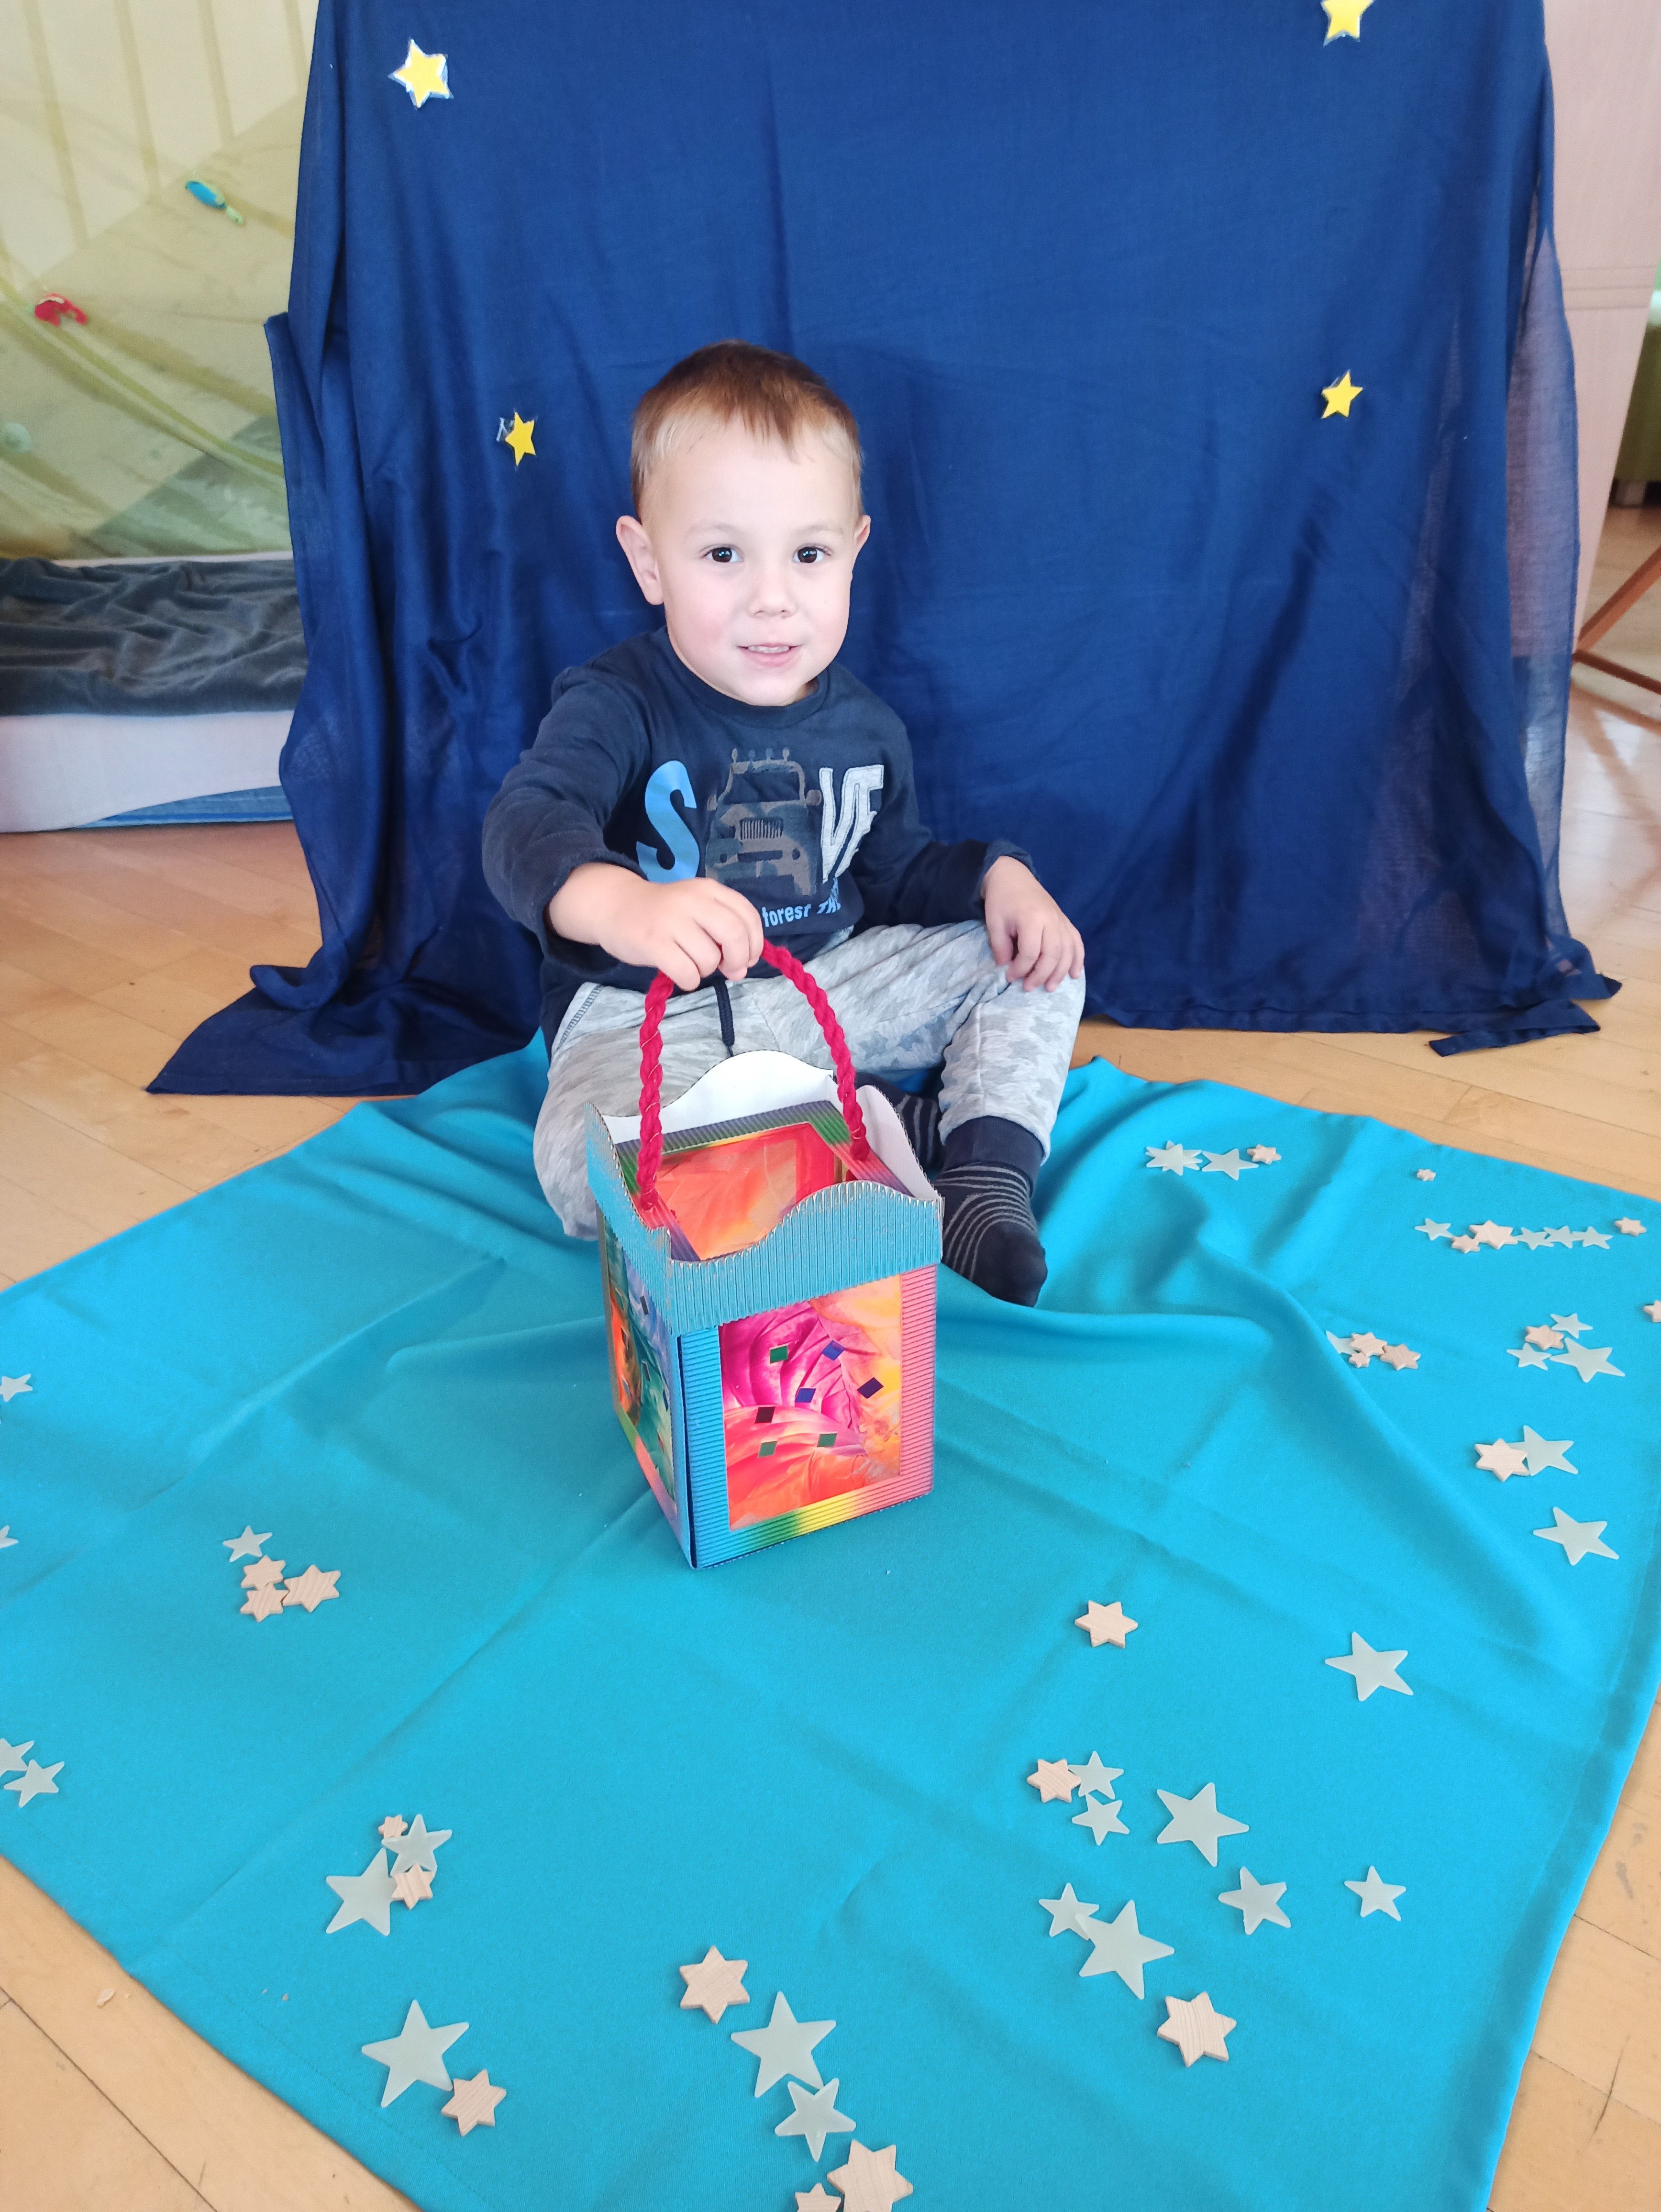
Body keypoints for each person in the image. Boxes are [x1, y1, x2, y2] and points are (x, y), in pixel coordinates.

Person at [482, 341, 1085, 1305]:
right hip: (648, 1017)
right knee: (581, 1168)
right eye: (723, 555)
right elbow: (525, 821)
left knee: (1034, 958)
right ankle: (854, 1136)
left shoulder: (867, 728)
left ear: (853, 550)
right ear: (649, 561)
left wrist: (995, 877)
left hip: (820, 995)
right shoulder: (616, 702)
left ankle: (979, 1174)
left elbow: (895, 876)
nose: (772, 598)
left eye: (808, 555)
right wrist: (621, 904)